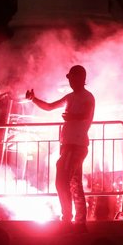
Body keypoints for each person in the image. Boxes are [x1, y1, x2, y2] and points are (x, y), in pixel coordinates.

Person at [25, 65, 95, 232]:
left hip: (75, 146)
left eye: (72, 78)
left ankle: (67, 220)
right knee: (74, 183)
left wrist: (71, 116)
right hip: (70, 145)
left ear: (80, 79)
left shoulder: (87, 97)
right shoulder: (70, 97)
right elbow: (50, 107)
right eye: (69, 78)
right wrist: (34, 99)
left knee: (61, 181)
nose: (70, 81)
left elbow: (85, 114)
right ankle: (79, 223)